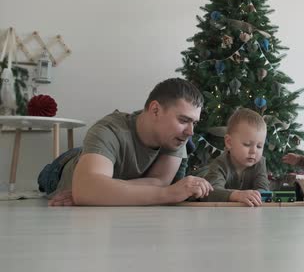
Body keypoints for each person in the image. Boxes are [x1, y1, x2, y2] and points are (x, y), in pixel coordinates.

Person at [37, 78, 214, 206]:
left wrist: (100, 190)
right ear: (155, 110)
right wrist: (168, 193)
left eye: (194, 123)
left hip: (104, 165)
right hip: (62, 169)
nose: (191, 131)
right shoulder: (109, 129)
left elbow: (159, 181)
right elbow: (87, 189)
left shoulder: (176, 136)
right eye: (183, 120)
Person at [203, 108, 270, 206]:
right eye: (247, 144)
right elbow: (210, 193)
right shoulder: (219, 164)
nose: (254, 151)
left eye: (259, 146)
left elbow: (263, 188)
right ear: (229, 142)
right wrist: (237, 195)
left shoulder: (260, 163)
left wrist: (256, 196)